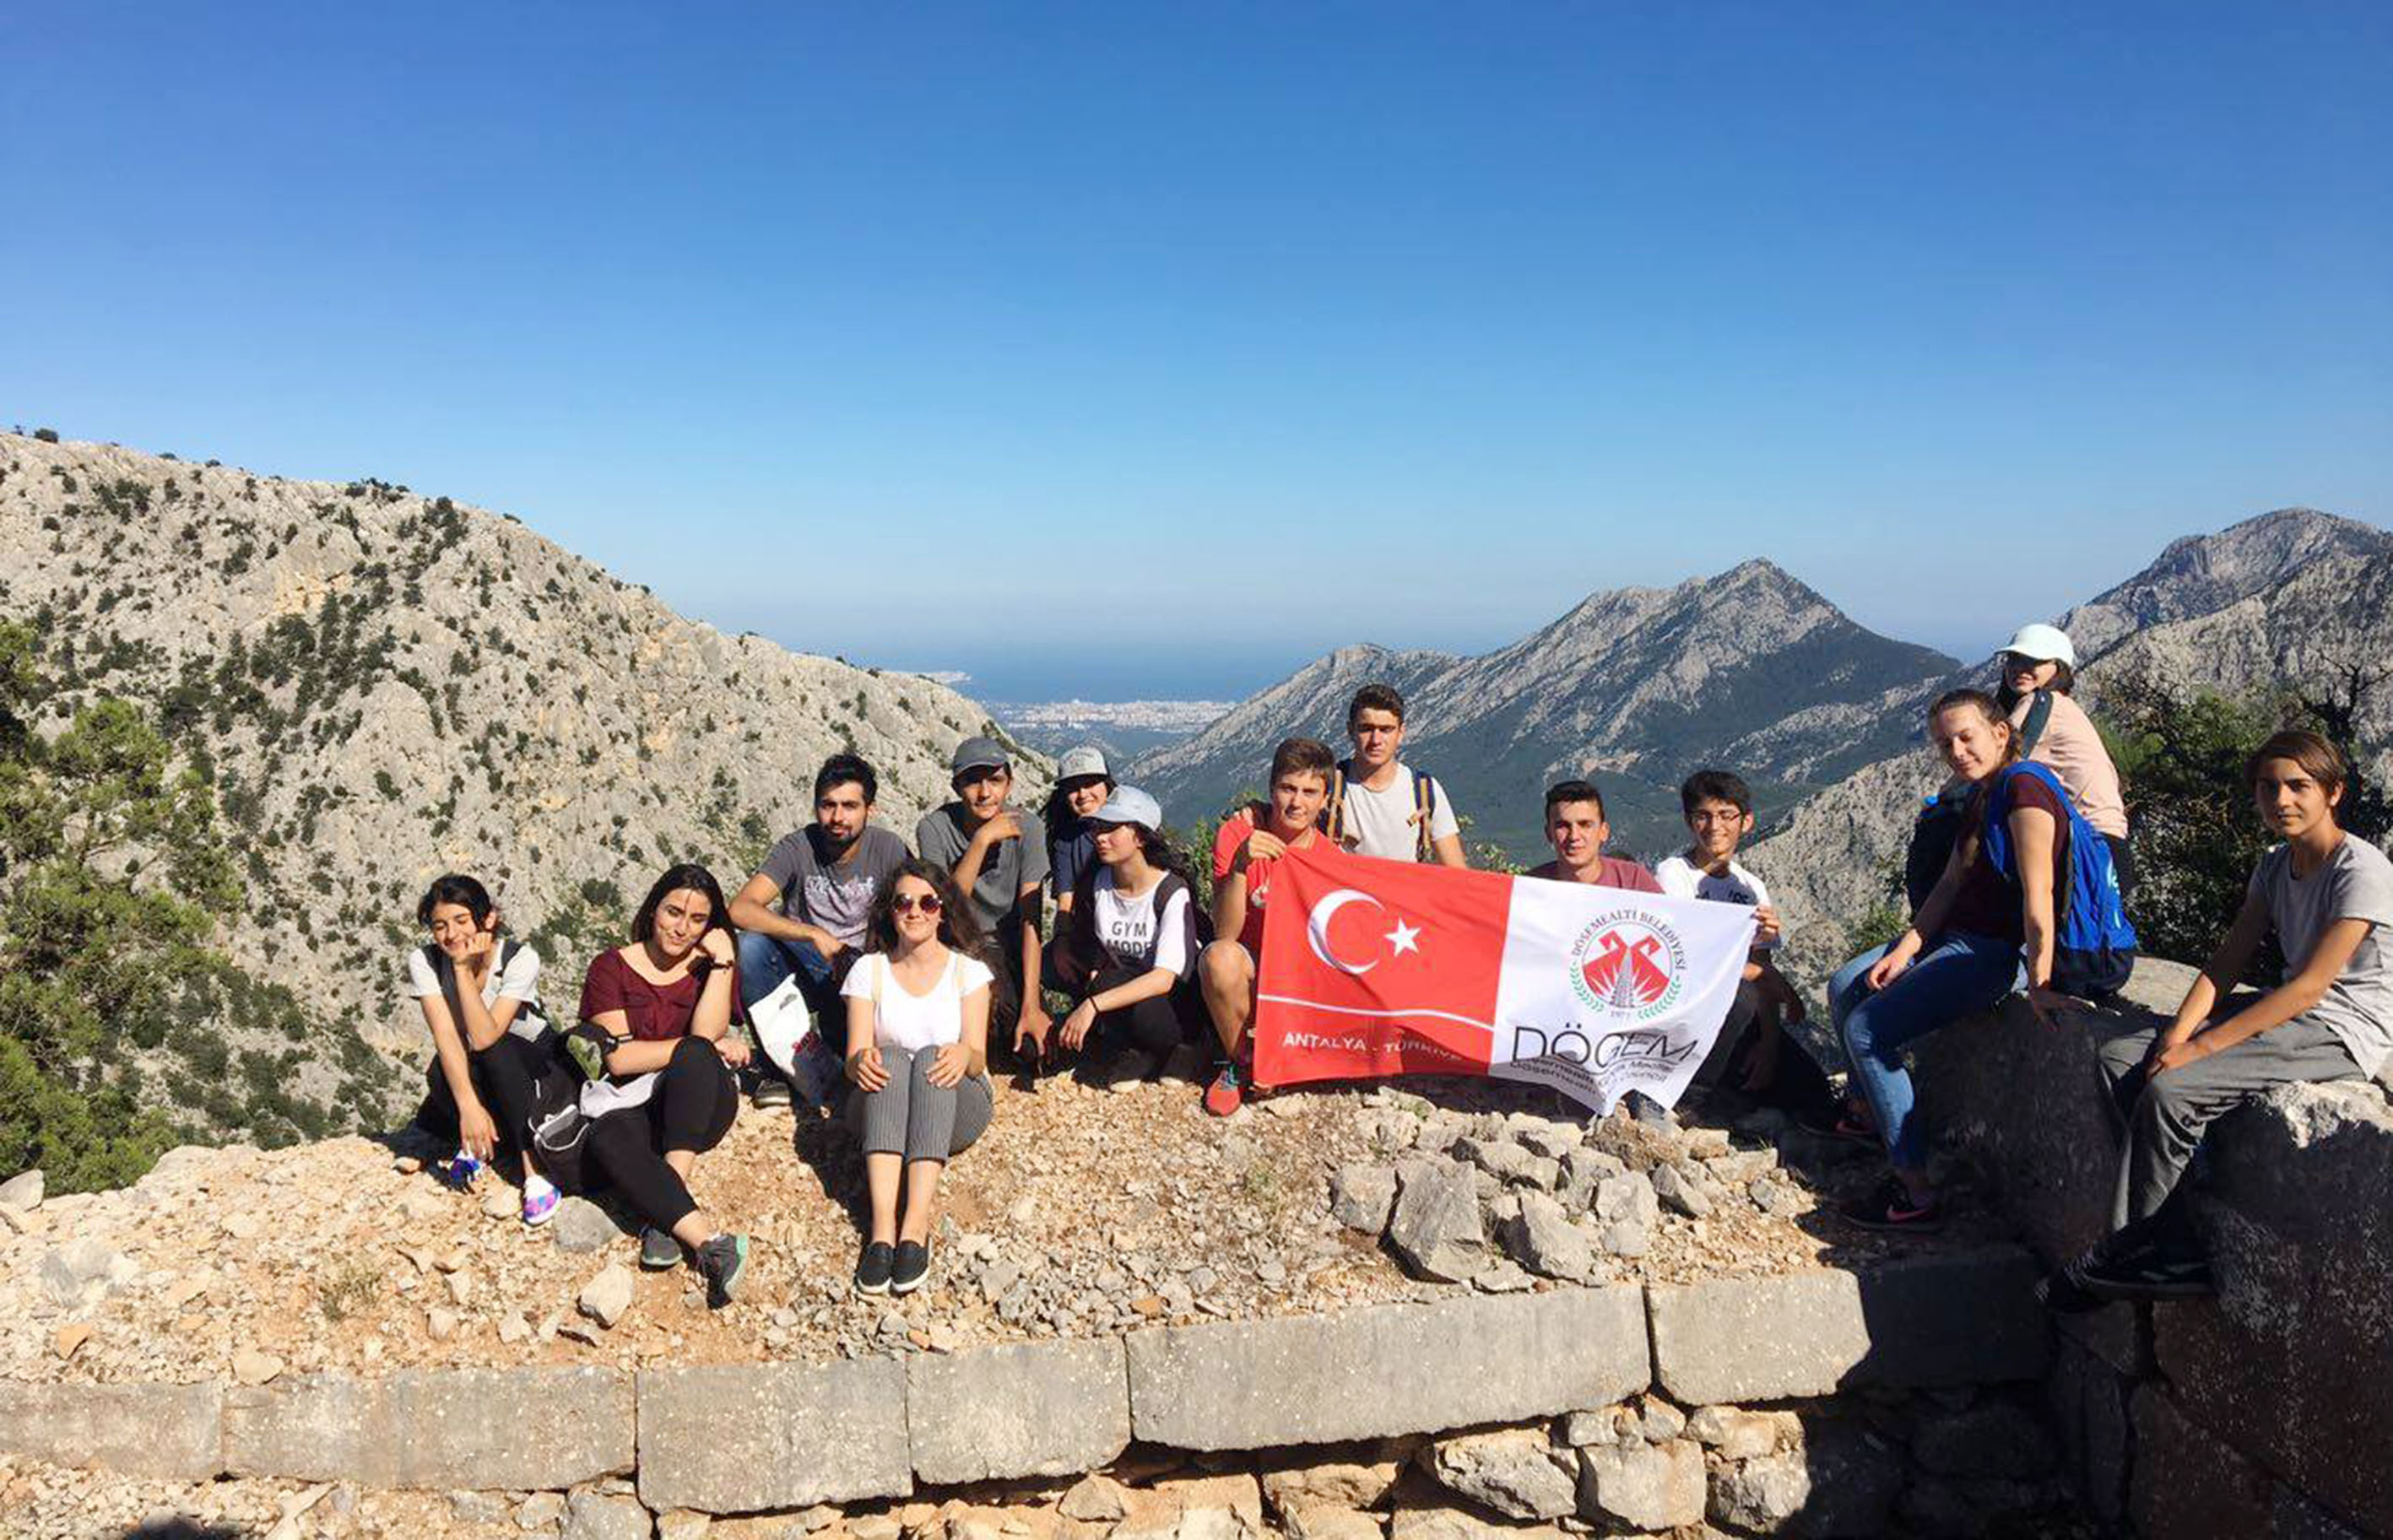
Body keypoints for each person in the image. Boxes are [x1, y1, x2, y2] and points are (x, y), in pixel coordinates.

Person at [2047, 731, 2390, 1305]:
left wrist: (2199, 1050)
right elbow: (2228, 960)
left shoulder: (2361, 869)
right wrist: (2176, 1034)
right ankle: (2173, 1238)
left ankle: (2135, 1247)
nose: (2281, 800)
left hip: (2342, 1026)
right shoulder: (2275, 865)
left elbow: (2311, 986)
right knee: (2121, 1058)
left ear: (2333, 793)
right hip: (2291, 1006)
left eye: (2298, 786)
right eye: (2268, 787)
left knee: (2172, 1091)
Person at [1829, 689, 2077, 1231]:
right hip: (1955, 936)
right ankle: (1873, 1115)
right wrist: (1908, 948)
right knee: (1846, 985)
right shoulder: (1984, 793)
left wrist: (2040, 981)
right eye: (1946, 744)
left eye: (1967, 737)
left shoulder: (2027, 791)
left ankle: (1914, 1190)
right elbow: (1949, 883)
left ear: (2001, 733)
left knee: (1868, 1031)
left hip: (1996, 951)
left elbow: (2040, 895)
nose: (1957, 751)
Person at [576, 864, 753, 1307]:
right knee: (606, 1134)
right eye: (674, 912)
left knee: (693, 1056)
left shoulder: (710, 966)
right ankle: (708, 1241)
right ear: (653, 909)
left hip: (699, 1101)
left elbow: (705, 1037)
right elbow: (619, 1059)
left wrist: (723, 962)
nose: (682, 928)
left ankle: (663, 1210)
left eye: (697, 919)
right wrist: (701, 1046)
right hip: (636, 1101)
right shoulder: (611, 967)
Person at [841, 860, 994, 1297]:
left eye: (928, 903)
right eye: (903, 902)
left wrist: (963, 1052)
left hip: (954, 1103)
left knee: (932, 1056)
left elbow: (977, 1058)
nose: (915, 912)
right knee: (888, 1056)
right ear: (890, 911)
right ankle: (882, 1232)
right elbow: (853, 1058)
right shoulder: (868, 970)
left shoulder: (969, 973)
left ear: (943, 911)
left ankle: (915, 1224)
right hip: (883, 1105)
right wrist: (862, 1062)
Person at [729, 754, 913, 1108]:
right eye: (828, 805)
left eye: (850, 806)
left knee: (860, 1071)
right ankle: (779, 1069)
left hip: (863, 973)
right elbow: (741, 908)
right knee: (748, 948)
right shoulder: (797, 847)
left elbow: (917, 904)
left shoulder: (888, 848)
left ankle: (837, 1062)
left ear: (870, 809)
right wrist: (813, 934)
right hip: (807, 966)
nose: (837, 817)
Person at [1654, 772, 1838, 1121]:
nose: (1715, 827)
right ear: (1690, 822)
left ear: (1746, 821)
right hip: (1689, 1009)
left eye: (1726, 815)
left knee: (1812, 1089)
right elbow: (1684, 956)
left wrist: (1768, 1045)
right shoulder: (1673, 874)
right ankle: (1690, 1099)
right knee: (1742, 995)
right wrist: (1767, 979)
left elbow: (1762, 967)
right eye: (1703, 816)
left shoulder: (1751, 886)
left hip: (1738, 1016)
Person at [406, 874, 560, 1225]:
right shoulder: (425, 961)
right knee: (440, 1070)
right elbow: (447, 1035)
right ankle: (481, 1140)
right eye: (440, 926)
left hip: (532, 1063)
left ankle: (534, 1169)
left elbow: (486, 1035)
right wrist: (469, 1108)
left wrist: (461, 969)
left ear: (487, 919)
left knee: (494, 1051)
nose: (451, 935)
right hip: (482, 1062)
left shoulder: (519, 959)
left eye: (462, 920)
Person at [1199, 737, 1339, 1116]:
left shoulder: (1330, 859)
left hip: (1297, 979)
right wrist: (1240, 867)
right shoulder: (1236, 835)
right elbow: (1225, 933)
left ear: (1325, 799)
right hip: (1250, 972)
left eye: (1310, 792)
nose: (1297, 802)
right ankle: (1240, 1061)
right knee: (1219, 958)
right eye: (1288, 788)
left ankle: (1284, 1055)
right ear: (1271, 788)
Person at [1045, 786, 1205, 1084]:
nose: (1100, 837)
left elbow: (1163, 979)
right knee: (1097, 980)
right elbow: (1093, 946)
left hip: (1176, 1003)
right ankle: (1140, 1050)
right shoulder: (1097, 883)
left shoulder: (1171, 891)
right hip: (1130, 988)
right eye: (1099, 828)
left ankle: (1184, 1047)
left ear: (1140, 837)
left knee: (1113, 993)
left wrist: (1093, 1006)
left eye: (1112, 829)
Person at [914, 737, 1050, 1065]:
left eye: (995, 780)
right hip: (956, 942)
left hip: (1007, 945)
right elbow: (944, 907)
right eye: (973, 781)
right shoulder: (934, 829)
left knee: (1035, 1054)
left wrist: (1031, 1005)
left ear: (1009, 784)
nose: (985, 792)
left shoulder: (1029, 828)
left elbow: (1031, 919)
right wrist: (981, 840)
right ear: (957, 787)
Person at [1996, 624, 2133, 898]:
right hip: (2109, 847)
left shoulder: (2041, 703)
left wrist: (1943, 800)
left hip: (2086, 847)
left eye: (2034, 661)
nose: (2020, 668)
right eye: (2014, 659)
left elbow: (1994, 760)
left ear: (2058, 668)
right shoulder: (2064, 707)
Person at [1322, 684, 1468, 867]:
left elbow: (1456, 871)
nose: (1376, 740)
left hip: (1406, 886)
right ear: (1350, 731)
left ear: (1401, 733)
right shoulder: (1328, 785)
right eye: (1366, 729)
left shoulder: (1425, 790)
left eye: (1386, 729)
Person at [1524, 779, 1664, 892]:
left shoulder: (1633, 881)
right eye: (1563, 826)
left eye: (1585, 824)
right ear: (1549, 833)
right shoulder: (1528, 888)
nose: (1574, 836)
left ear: (1603, 832)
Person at [1041, 744, 1116, 916]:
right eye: (1073, 788)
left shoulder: (1132, 829)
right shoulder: (1067, 840)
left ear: (1106, 785)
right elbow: (1066, 900)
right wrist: (1063, 930)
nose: (1082, 794)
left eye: (1090, 784)